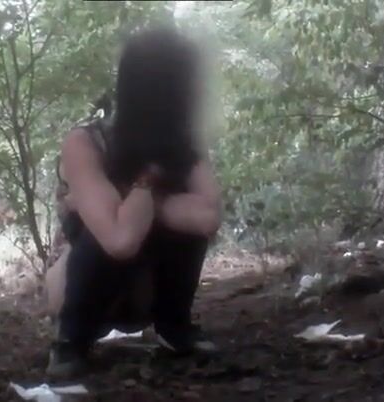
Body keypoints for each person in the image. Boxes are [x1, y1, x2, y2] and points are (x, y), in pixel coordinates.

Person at [45, 25, 222, 378]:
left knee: (163, 227)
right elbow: (119, 241)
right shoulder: (86, 142)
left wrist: (137, 197)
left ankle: (174, 327)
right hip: (84, 292)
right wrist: (149, 183)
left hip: (147, 286)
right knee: (104, 232)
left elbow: (207, 216)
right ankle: (70, 341)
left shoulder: (182, 144)